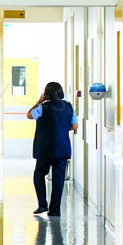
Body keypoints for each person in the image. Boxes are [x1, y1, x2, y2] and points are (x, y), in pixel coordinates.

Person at [27, 81, 77, 217]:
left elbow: (29, 115)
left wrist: (38, 101)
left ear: (46, 94)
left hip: (45, 148)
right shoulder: (69, 106)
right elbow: (74, 126)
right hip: (62, 148)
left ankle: (42, 205)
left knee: (39, 174)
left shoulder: (43, 107)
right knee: (58, 178)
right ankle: (55, 210)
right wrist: (61, 129)